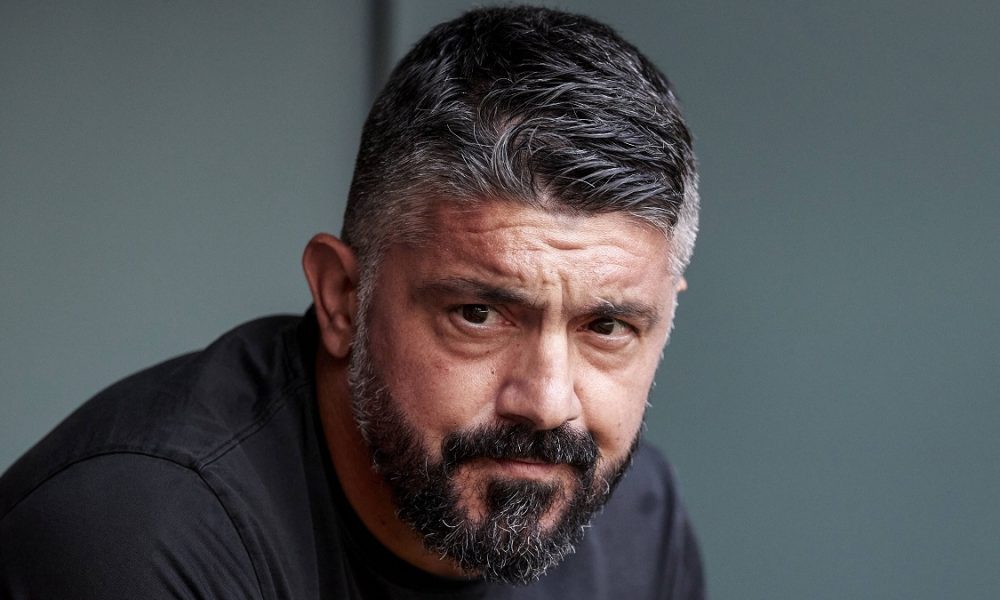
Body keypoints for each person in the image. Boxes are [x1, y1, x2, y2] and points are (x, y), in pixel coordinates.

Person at [0, 6, 704, 599]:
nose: (548, 404)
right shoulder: (143, 533)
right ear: (343, 299)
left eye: (606, 325)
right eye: (478, 315)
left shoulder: (636, 522)